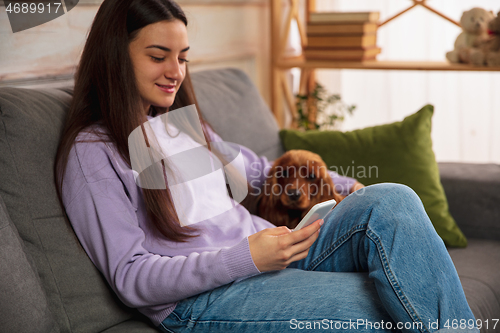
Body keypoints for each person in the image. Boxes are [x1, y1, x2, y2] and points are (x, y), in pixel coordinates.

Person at [54, 0, 479, 332]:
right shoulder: (94, 151)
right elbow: (131, 277)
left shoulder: (181, 125)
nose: (175, 72)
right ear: (115, 56)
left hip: (281, 250)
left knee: (393, 199)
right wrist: (246, 259)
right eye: (158, 56)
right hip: (204, 299)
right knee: (392, 304)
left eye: (182, 57)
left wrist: (348, 189)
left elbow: (259, 172)